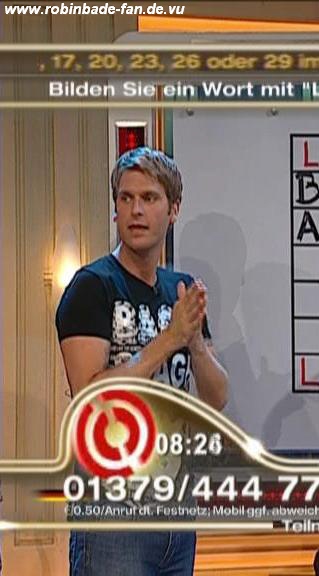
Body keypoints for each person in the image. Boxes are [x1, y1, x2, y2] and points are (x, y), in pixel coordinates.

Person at [56, 146, 229, 575]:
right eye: (126, 198)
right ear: (115, 208)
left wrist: (195, 343)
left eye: (149, 198)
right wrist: (168, 339)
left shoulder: (180, 289)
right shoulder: (91, 286)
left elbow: (216, 399)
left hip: (177, 513)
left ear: (173, 209)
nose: (135, 210)